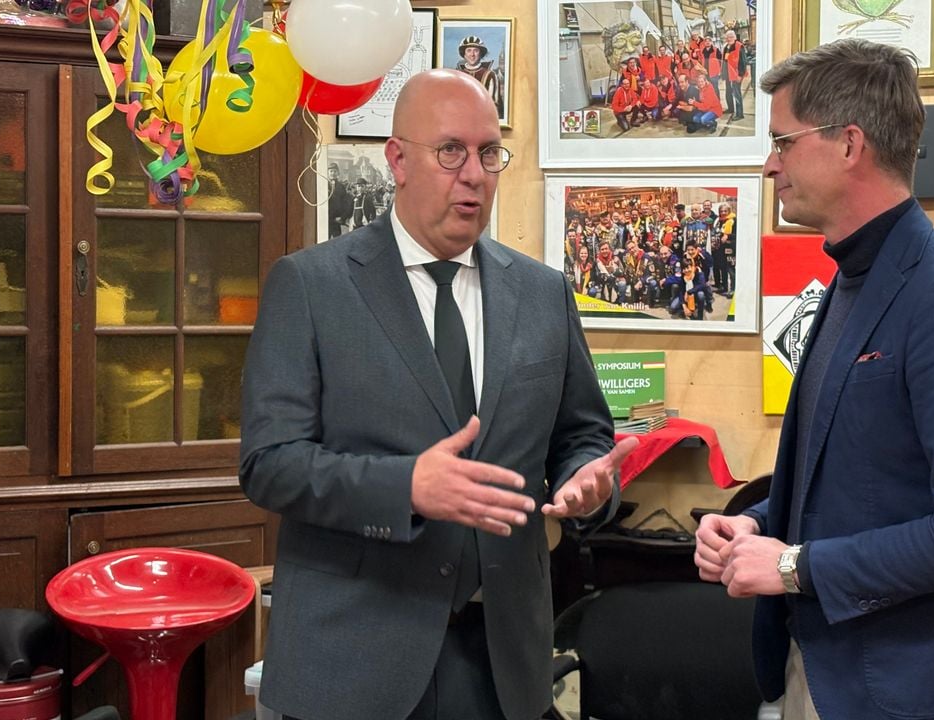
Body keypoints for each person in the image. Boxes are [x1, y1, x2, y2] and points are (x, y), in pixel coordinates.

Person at [240, 69, 638, 720]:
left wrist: (586, 481)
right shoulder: (311, 287)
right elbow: (269, 464)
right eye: (451, 151)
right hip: (354, 660)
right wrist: (405, 488)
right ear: (397, 160)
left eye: (489, 153)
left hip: (502, 663)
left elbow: (581, 435)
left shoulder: (543, 294)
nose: (474, 174)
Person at [694, 39, 934, 720]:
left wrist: (793, 567)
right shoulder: (853, 279)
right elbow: (858, 485)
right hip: (826, 668)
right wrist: (755, 526)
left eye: (783, 143)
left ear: (849, 144)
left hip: (911, 692)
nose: (770, 165)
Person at [454, 35, 503, 120]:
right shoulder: (457, 75)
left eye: (476, 51)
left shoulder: (490, 75)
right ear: (464, 54)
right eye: (469, 50)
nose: (472, 54)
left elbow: (494, 105)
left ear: (481, 54)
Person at [324, 161, 352, 238]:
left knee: (337, 241)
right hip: (325, 220)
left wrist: (342, 217)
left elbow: (345, 204)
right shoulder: (323, 184)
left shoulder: (341, 187)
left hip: (336, 220)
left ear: (338, 173)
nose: (333, 173)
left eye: (335, 171)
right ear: (328, 172)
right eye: (331, 171)